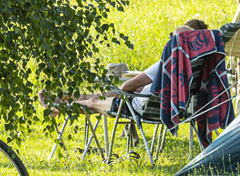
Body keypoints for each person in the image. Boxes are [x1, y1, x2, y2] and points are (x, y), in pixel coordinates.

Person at [44, 18, 211, 117]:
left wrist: (137, 89)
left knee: (97, 100)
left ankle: (62, 107)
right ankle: (67, 99)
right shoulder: (197, 63)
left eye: (171, 37)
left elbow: (127, 86)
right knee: (101, 96)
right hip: (171, 107)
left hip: (142, 107)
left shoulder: (169, 61)